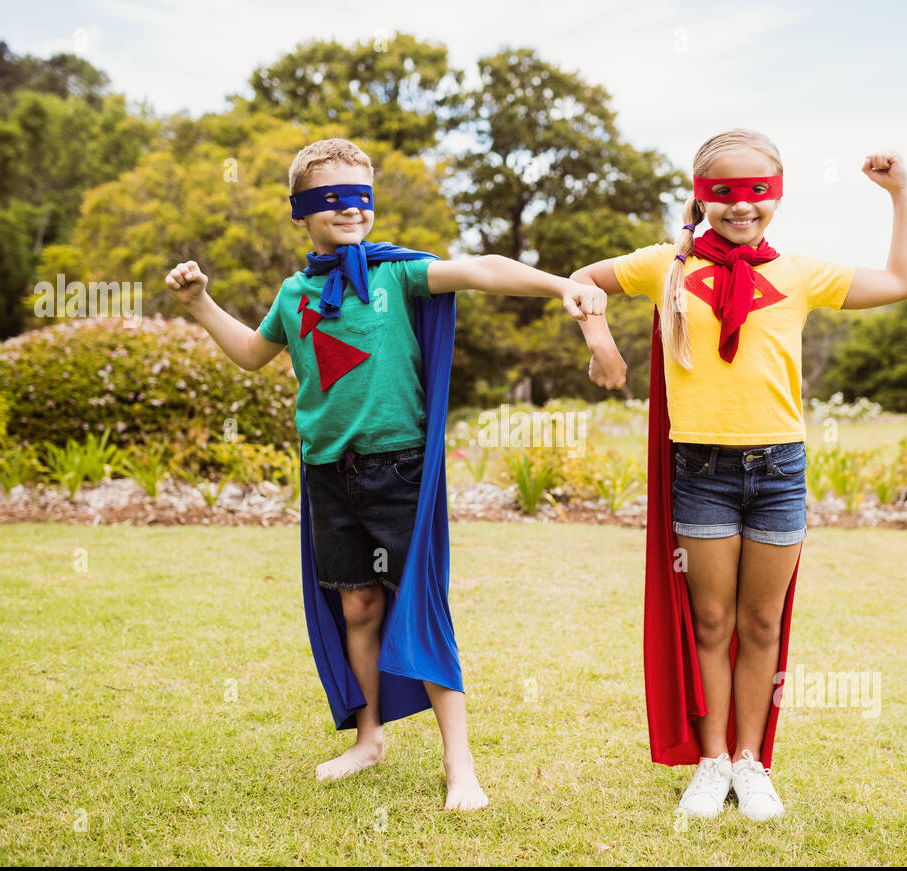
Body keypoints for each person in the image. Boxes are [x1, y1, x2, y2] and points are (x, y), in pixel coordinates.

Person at [165, 138, 608, 811]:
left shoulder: (397, 275)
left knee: (421, 607)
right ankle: (368, 739)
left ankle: (460, 765)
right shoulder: (295, 293)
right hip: (327, 474)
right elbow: (254, 355)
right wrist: (200, 305)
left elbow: (482, 268)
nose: (348, 209)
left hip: (398, 471)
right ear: (301, 212)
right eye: (330, 198)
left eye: (360, 196)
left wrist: (561, 287)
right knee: (357, 606)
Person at [571, 128, 907, 819]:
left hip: (779, 470)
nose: (741, 206)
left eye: (757, 191)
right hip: (699, 468)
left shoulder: (798, 272)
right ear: (702, 195)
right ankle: (709, 763)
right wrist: (601, 346)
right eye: (725, 192)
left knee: (761, 623)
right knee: (709, 620)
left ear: (778, 195)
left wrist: (901, 194)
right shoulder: (662, 267)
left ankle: (750, 762)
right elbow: (581, 280)